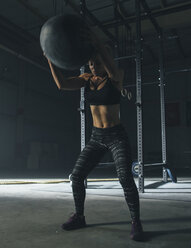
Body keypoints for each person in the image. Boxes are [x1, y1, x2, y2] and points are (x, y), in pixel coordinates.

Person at [44, 29, 144, 241]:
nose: (93, 66)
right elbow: (61, 84)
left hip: (117, 136)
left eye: (97, 63)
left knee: (125, 178)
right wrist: (50, 58)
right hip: (97, 137)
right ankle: (79, 216)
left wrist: (97, 44)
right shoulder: (86, 79)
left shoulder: (116, 78)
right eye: (91, 63)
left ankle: (136, 222)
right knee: (77, 176)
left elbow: (109, 65)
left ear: (105, 62)